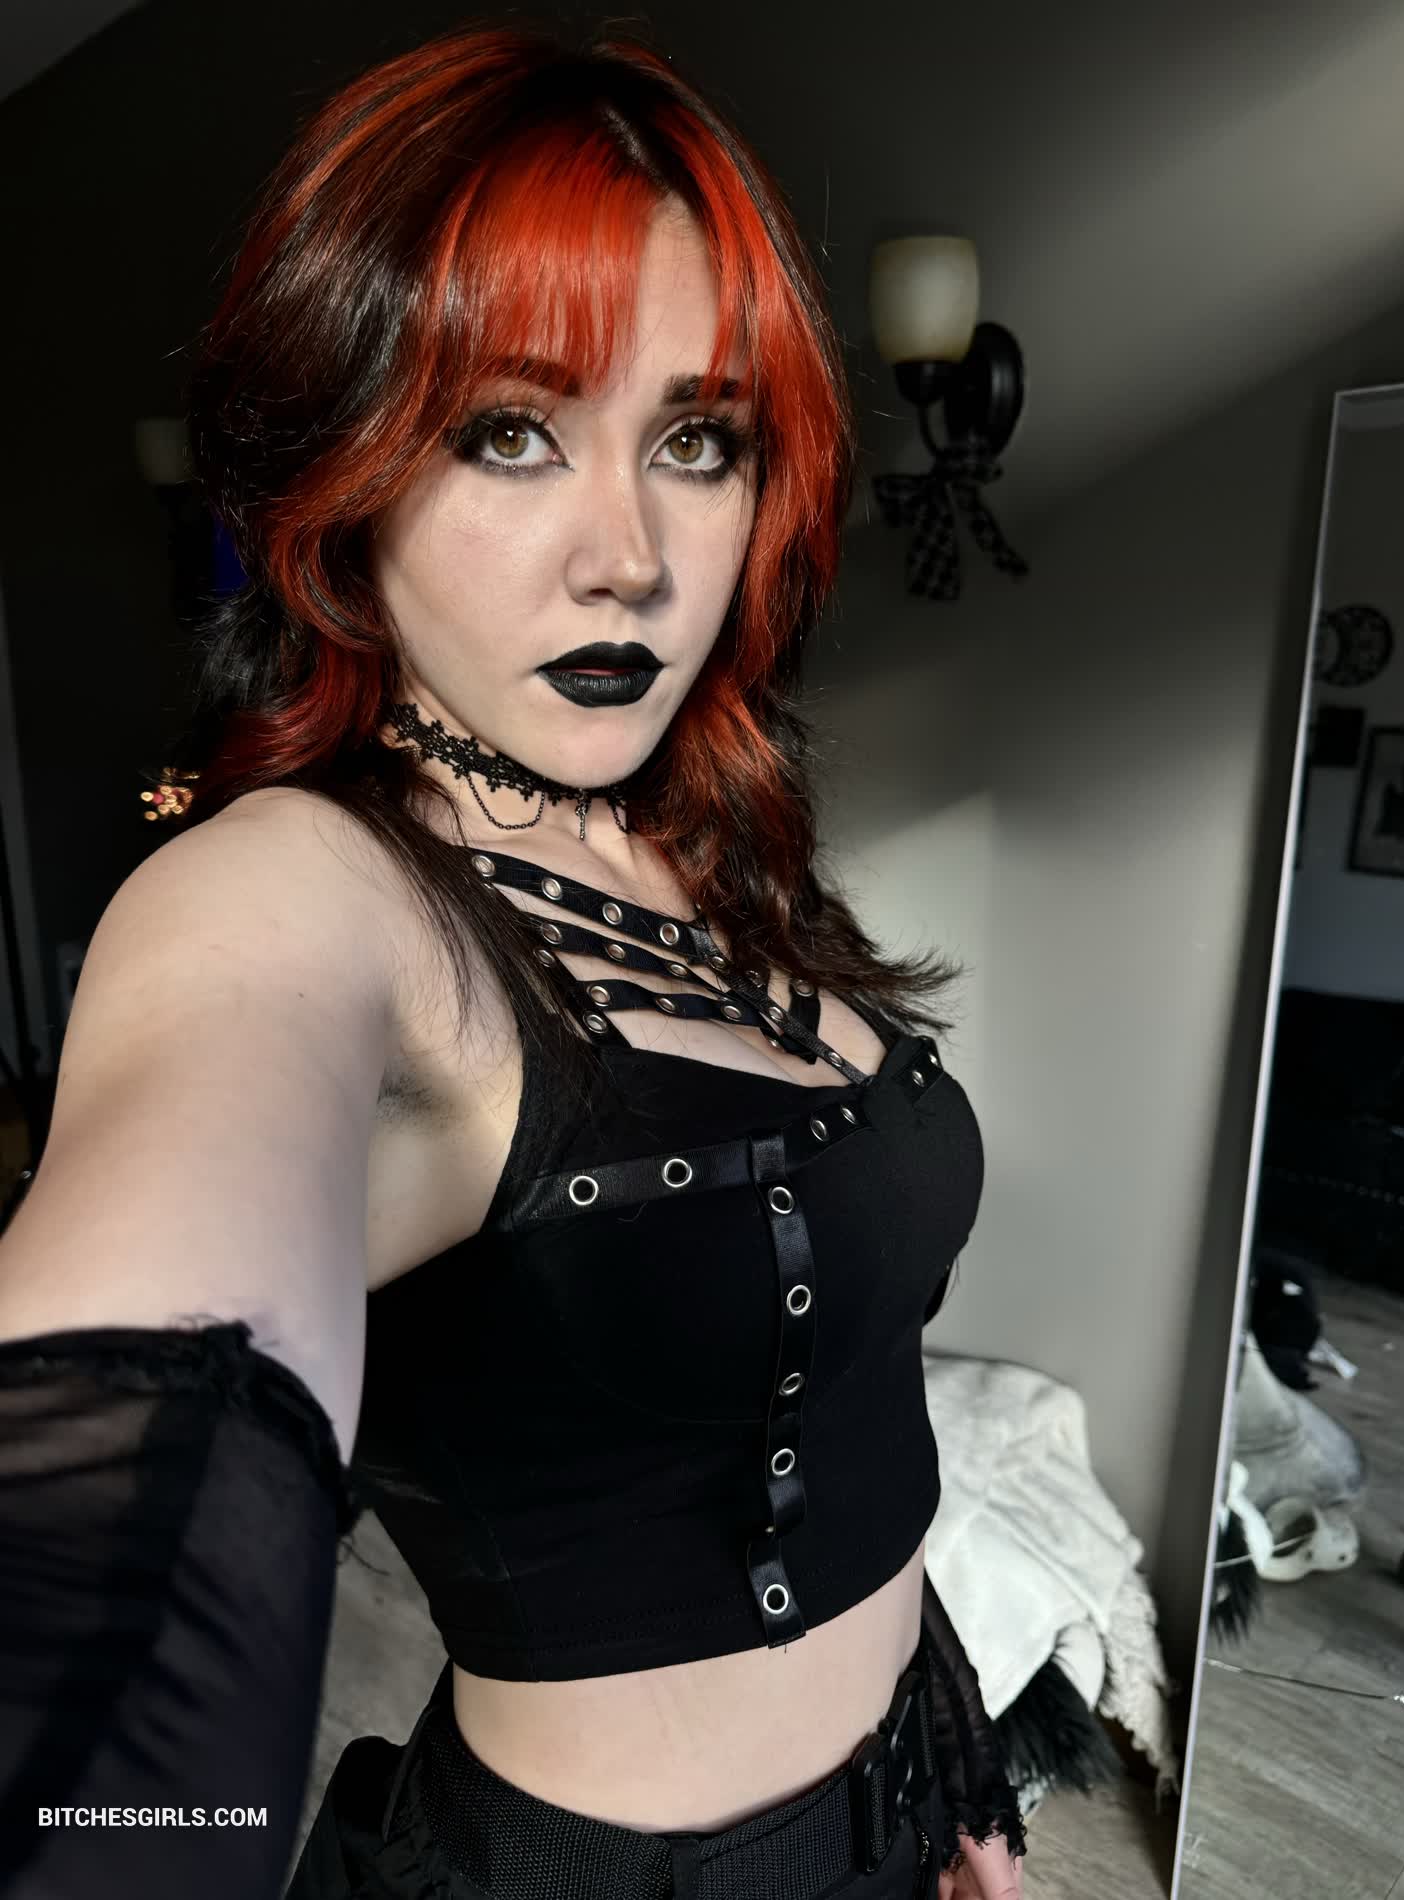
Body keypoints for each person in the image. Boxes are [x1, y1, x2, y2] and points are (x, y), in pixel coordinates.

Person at [0, 23, 1027, 1900]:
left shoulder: (700, 847)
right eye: (507, 431)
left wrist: (948, 1770)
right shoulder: (298, 895)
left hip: (907, 1804)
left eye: (696, 441)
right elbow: (104, 1577)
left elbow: (850, 1401)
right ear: (344, 471)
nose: (628, 556)